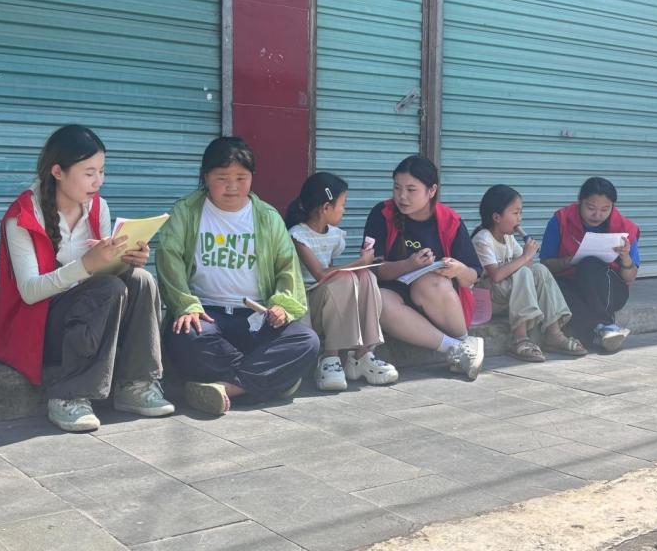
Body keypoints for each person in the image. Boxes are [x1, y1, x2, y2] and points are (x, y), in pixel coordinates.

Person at [0, 124, 174, 432]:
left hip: (89, 318)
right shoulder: (23, 216)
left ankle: (136, 384)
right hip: (39, 328)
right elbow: (30, 292)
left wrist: (125, 260)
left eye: (102, 171)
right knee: (109, 288)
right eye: (89, 173)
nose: (98, 181)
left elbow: (102, 275)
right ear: (58, 172)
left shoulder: (97, 206)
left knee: (141, 279)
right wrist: (86, 265)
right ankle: (68, 395)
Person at [157, 136, 319, 415]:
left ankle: (227, 388)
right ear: (206, 176)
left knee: (307, 342)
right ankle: (270, 380)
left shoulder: (267, 217)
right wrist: (186, 305)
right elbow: (168, 260)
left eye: (241, 178)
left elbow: (286, 268)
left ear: (252, 177)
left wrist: (281, 305)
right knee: (186, 338)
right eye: (222, 178)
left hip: (255, 318)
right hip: (207, 316)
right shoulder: (186, 211)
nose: (232, 186)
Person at [363, 155, 485, 380]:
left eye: (411, 190)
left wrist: (458, 270)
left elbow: (473, 275)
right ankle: (459, 348)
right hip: (396, 300)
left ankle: (462, 338)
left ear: (432, 190)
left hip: (439, 304)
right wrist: (408, 265)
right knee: (379, 300)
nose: (402, 196)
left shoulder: (450, 220)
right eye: (397, 188)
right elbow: (373, 267)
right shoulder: (382, 214)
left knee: (431, 281)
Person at [285, 172, 397, 391]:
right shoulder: (298, 235)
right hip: (308, 301)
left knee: (366, 276)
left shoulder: (335, 235)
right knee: (343, 280)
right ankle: (330, 357)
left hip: (327, 297)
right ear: (326, 208)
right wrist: (359, 262)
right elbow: (321, 274)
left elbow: (332, 267)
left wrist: (364, 265)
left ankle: (362, 355)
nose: (344, 210)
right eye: (342, 205)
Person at [471, 185, 585, 362]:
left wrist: (528, 255)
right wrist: (525, 256)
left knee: (540, 269)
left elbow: (529, 265)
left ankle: (554, 333)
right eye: (515, 213)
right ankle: (519, 338)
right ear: (496, 217)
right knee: (523, 272)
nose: (520, 218)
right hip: (489, 298)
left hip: (508, 295)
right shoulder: (483, 239)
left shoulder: (508, 237)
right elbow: (496, 276)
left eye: (521, 213)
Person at [540, 177, 640, 352]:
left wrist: (625, 257)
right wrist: (568, 261)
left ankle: (597, 327)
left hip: (608, 291)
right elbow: (545, 265)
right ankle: (602, 329)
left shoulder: (625, 228)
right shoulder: (561, 220)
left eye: (605, 209)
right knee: (555, 289)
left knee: (589, 264)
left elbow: (630, 277)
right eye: (591, 208)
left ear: (613, 207)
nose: (597, 215)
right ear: (580, 202)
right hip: (570, 284)